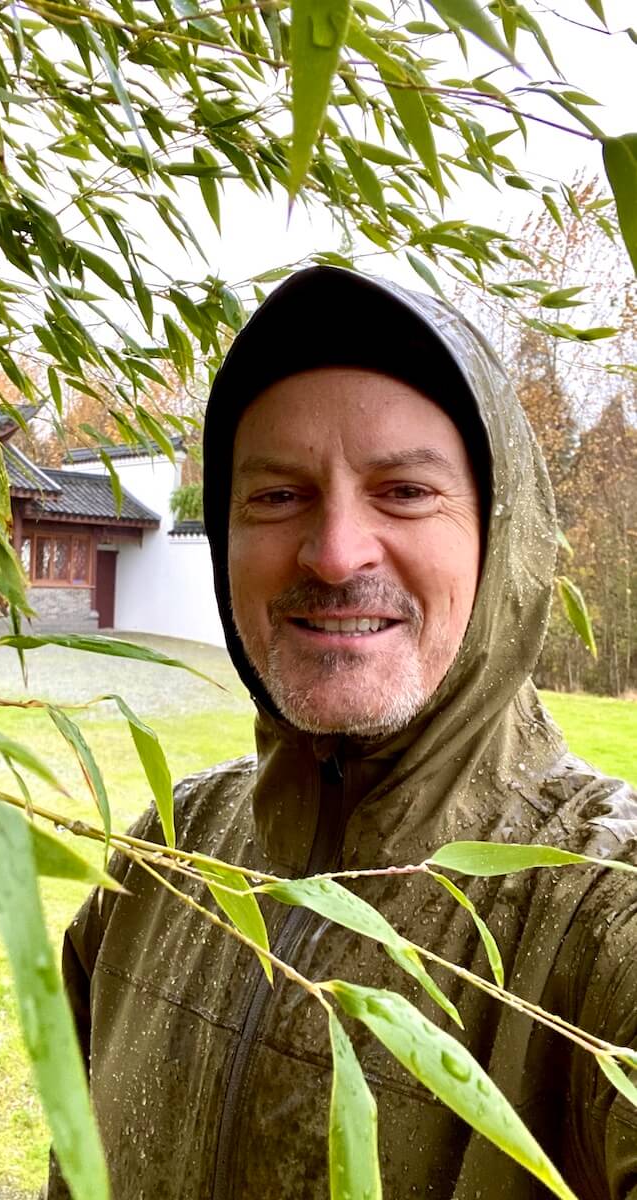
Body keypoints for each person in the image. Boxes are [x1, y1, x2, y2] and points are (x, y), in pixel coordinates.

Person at [45, 267, 637, 1199]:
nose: (332, 552)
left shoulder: (601, 912)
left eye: (403, 491)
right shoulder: (162, 858)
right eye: (277, 497)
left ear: (501, 536)